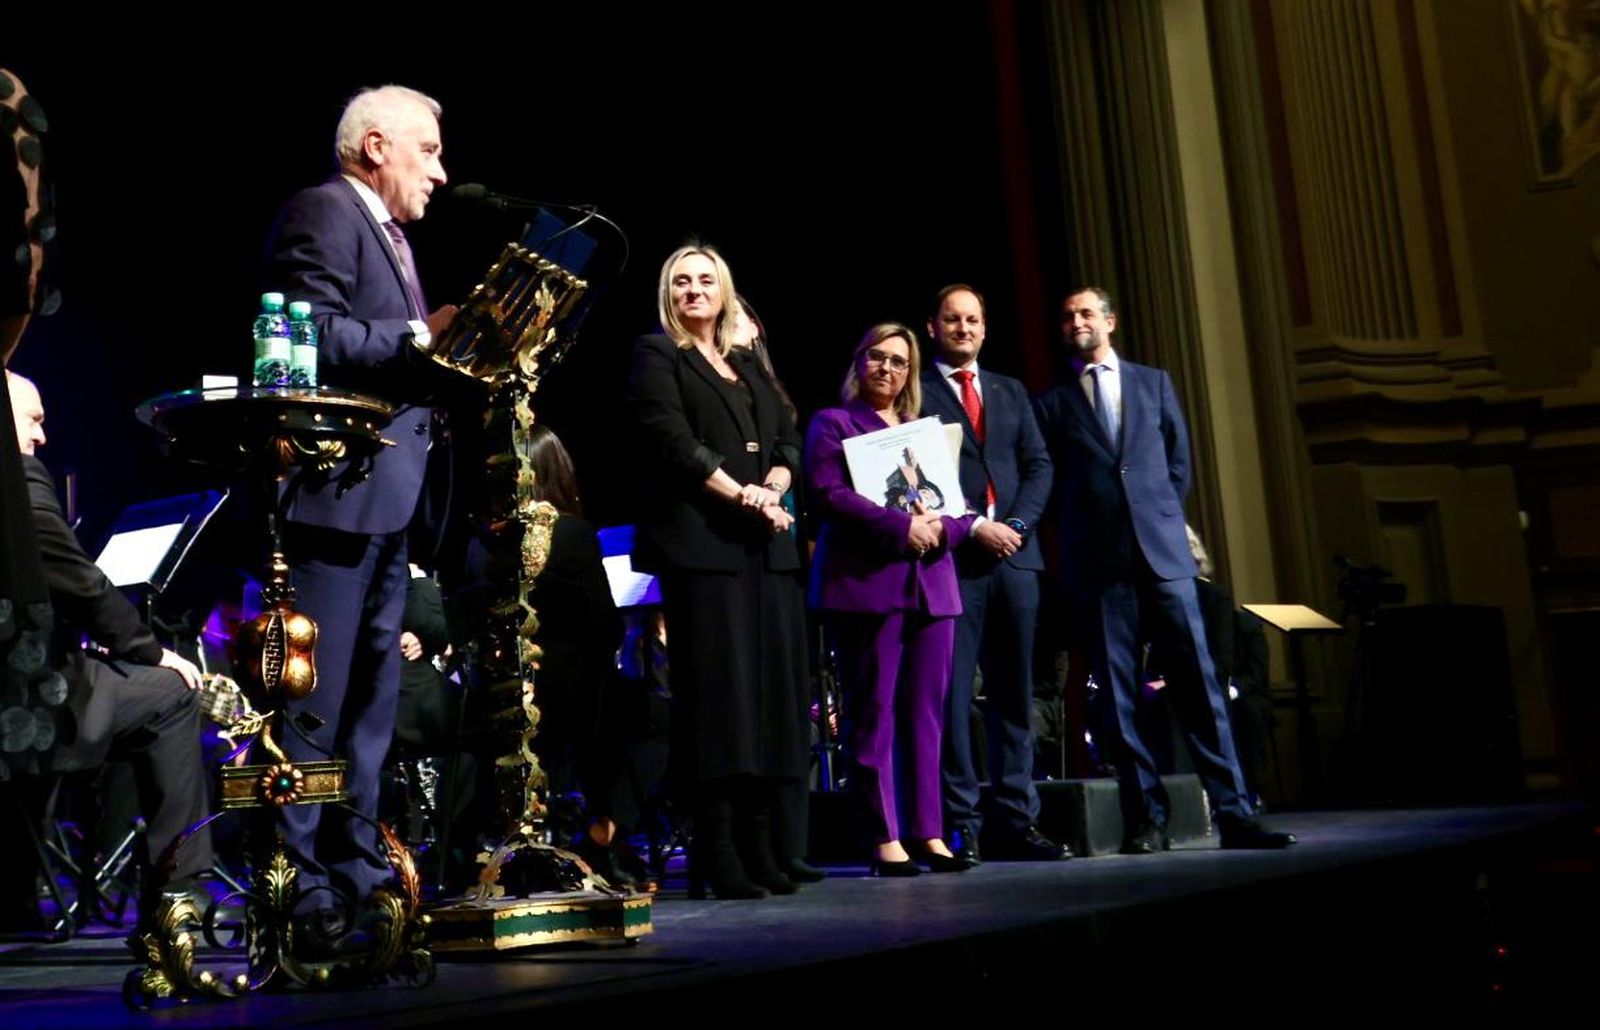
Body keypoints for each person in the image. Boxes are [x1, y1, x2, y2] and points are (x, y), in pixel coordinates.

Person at [262, 84, 460, 946]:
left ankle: (357, 875)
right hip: (334, 500)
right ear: (376, 146)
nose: (441, 174)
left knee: (371, 713)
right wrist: (422, 342)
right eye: (429, 153)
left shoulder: (390, 235)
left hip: (387, 505)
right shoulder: (325, 211)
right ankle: (298, 890)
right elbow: (311, 335)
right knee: (317, 706)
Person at [1032, 286, 1295, 852]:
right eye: (1066, 314)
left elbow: (1177, 465)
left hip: (1164, 557)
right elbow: (1050, 484)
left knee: (1200, 686)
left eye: (1084, 312)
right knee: (1120, 700)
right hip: (1101, 567)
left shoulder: (1153, 383)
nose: (1075, 321)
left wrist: (1154, 520)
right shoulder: (1052, 401)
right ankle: (1145, 819)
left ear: (1111, 321)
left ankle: (1235, 813)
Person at [626, 245, 810, 898]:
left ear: (725, 292)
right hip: (705, 549)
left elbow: (789, 433)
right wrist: (745, 494)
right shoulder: (658, 355)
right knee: (720, 703)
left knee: (768, 702)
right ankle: (718, 848)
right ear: (667, 294)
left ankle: (761, 845)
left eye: (707, 280)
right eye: (682, 281)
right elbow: (673, 442)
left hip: (764, 549)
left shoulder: (741, 362)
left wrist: (778, 481)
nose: (694, 290)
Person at [6, 371, 215, 921]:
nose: (42, 437)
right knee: (170, 692)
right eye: (34, 420)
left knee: (106, 683)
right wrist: (146, 648)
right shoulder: (18, 482)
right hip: (25, 705)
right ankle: (178, 891)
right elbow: (78, 579)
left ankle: (20, 891)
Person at [806, 324, 975, 875]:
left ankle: (929, 832)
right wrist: (900, 527)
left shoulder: (922, 431)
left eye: (899, 362)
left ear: (910, 375)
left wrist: (942, 531)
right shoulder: (833, 423)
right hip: (869, 585)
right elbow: (830, 496)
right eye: (876, 357)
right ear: (859, 363)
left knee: (928, 715)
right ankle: (884, 837)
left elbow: (955, 505)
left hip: (933, 584)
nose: (886, 368)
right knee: (873, 711)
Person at [918, 285, 1066, 864]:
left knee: (1015, 695)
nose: (963, 328)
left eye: (972, 320)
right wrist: (974, 524)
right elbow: (916, 476)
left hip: (1016, 559)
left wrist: (1019, 526)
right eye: (952, 320)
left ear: (984, 327)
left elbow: (1039, 465)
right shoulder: (918, 390)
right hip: (955, 559)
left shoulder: (1009, 390)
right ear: (932, 327)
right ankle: (962, 823)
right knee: (955, 697)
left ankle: (1017, 818)